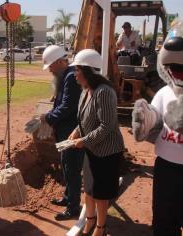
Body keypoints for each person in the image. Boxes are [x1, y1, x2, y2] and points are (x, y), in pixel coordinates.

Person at [132, 19, 183, 236]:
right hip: (166, 168)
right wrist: (146, 120)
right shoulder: (164, 93)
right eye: (173, 67)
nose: (176, 71)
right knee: (163, 221)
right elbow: (156, 122)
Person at [68, 49, 125, 236]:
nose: (74, 74)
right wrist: (76, 131)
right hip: (92, 150)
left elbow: (106, 125)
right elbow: (83, 118)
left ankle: (101, 227)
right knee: (89, 189)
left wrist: (84, 141)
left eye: (77, 70)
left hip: (106, 152)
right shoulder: (86, 91)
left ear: (87, 71)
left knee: (100, 194)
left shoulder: (104, 92)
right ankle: (90, 220)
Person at [41, 45, 84, 220]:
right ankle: (68, 198)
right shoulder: (65, 76)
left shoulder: (71, 77)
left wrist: (48, 118)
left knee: (72, 168)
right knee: (66, 166)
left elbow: (67, 106)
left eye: (51, 65)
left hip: (71, 132)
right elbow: (62, 102)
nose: (49, 70)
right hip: (65, 130)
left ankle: (73, 208)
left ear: (60, 62)